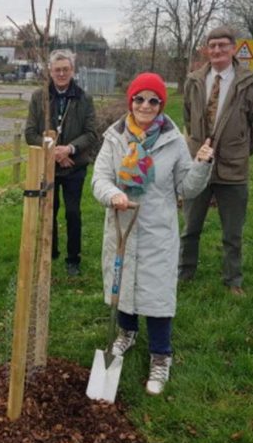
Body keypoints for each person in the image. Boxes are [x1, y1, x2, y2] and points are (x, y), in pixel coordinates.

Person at [92, 72, 214, 395]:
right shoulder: (114, 138)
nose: (145, 105)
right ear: (130, 101)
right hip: (122, 224)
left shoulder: (173, 141)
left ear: (161, 105)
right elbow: (99, 179)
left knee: (157, 293)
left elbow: (185, 187)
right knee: (123, 282)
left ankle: (161, 356)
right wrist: (113, 195)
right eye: (139, 98)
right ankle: (126, 332)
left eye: (153, 100)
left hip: (157, 228)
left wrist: (201, 165)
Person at [179, 26, 253, 296]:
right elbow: (187, 116)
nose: (217, 50)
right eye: (212, 45)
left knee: (232, 232)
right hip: (198, 167)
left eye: (222, 45)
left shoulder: (249, 83)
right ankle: (184, 273)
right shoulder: (194, 80)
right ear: (206, 49)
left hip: (233, 170)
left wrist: (241, 149)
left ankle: (233, 280)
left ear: (233, 49)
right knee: (190, 227)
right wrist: (197, 145)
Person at [25, 49, 98, 276]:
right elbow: (30, 132)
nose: (62, 73)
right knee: (49, 209)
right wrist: (54, 152)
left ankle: (73, 259)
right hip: (48, 167)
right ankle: (51, 250)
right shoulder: (39, 97)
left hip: (74, 166)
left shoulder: (84, 98)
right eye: (57, 70)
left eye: (66, 69)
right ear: (50, 71)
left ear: (72, 70)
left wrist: (69, 149)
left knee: (73, 212)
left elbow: (92, 133)